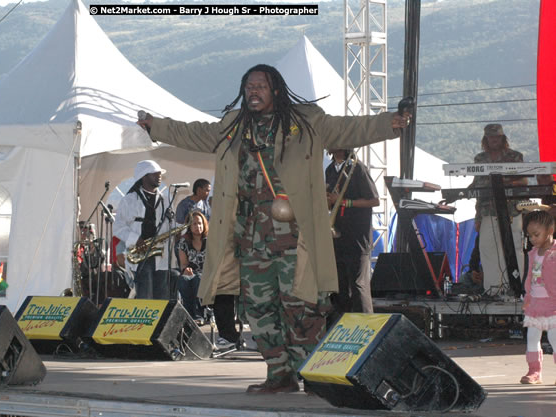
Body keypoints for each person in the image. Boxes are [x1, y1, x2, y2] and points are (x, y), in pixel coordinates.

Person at [137, 64, 409, 394]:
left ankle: (310, 372)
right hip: (251, 238)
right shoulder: (233, 126)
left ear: (276, 90)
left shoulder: (305, 122)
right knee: (259, 307)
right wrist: (157, 127)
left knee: (302, 306)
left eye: (261, 86)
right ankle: (278, 373)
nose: (253, 91)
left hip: (295, 237)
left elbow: (349, 128)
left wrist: (389, 123)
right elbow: (195, 133)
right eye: (249, 85)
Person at [471, 124, 527, 294]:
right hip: (488, 210)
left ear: (503, 138)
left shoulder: (515, 156)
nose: (494, 140)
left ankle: (516, 288)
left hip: (511, 210)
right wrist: (478, 216)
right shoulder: (480, 159)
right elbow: (477, 187)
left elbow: (523, 182)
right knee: (487, 248)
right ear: (485, 139)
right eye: (490, 137)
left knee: (516, 248)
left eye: (497, 137)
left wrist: (505, 183)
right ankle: (493, 290)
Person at [113, 160, 179, 299]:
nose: (159, 175)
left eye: (160, 173)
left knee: (162, 298)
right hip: (140, 257)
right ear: (144, 176)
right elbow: (118, 227)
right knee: (145, 297)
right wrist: (136, 239)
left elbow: (171, 227)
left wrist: (183, 227)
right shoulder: (129, 200)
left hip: (160, 256)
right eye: (155, 173)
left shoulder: (166, 200)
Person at [325, 149, 379, 315]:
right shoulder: (330, 170)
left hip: (357, 236)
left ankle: (364, 326)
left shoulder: (358, 168)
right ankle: (342, 325)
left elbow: (374, 200)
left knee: (358, 285)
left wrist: (343, 202)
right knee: (340, 286)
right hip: (338, 235)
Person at [520, 210, 556, 384]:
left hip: (552, 304)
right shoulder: (533, 253)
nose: (533, 239)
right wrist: (527, 298)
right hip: (534, 303)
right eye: (530, 235)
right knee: (532, 338)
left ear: (550, 230)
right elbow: (529, 277)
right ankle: (534, 372)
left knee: (554, 338)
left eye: (536, 234)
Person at [177, 211, 208, 322]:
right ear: (189, 226)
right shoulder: (183, 242)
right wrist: (186, 270)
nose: (197, 226)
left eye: (200, 223)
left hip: (207, 274)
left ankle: (199, 315)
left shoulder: (210, 241)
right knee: (184, 280)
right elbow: (183, 264)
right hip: (191, 273)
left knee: (198, 279)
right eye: (194, 224)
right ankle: (188, 315)